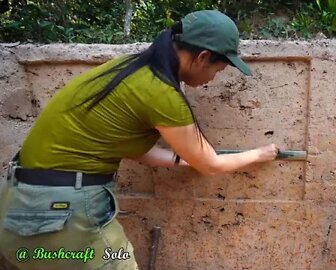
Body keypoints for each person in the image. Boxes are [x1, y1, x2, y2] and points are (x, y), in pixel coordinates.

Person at [0, 10, 278, 270]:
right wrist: (259, 154)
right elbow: (211, 165)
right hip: (60, 216)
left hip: (20, 210)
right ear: (202, 57)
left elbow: (138, 151)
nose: (212, 79)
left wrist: (186, 160)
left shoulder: (129, 69)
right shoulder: (160, 94)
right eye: (218, 70)